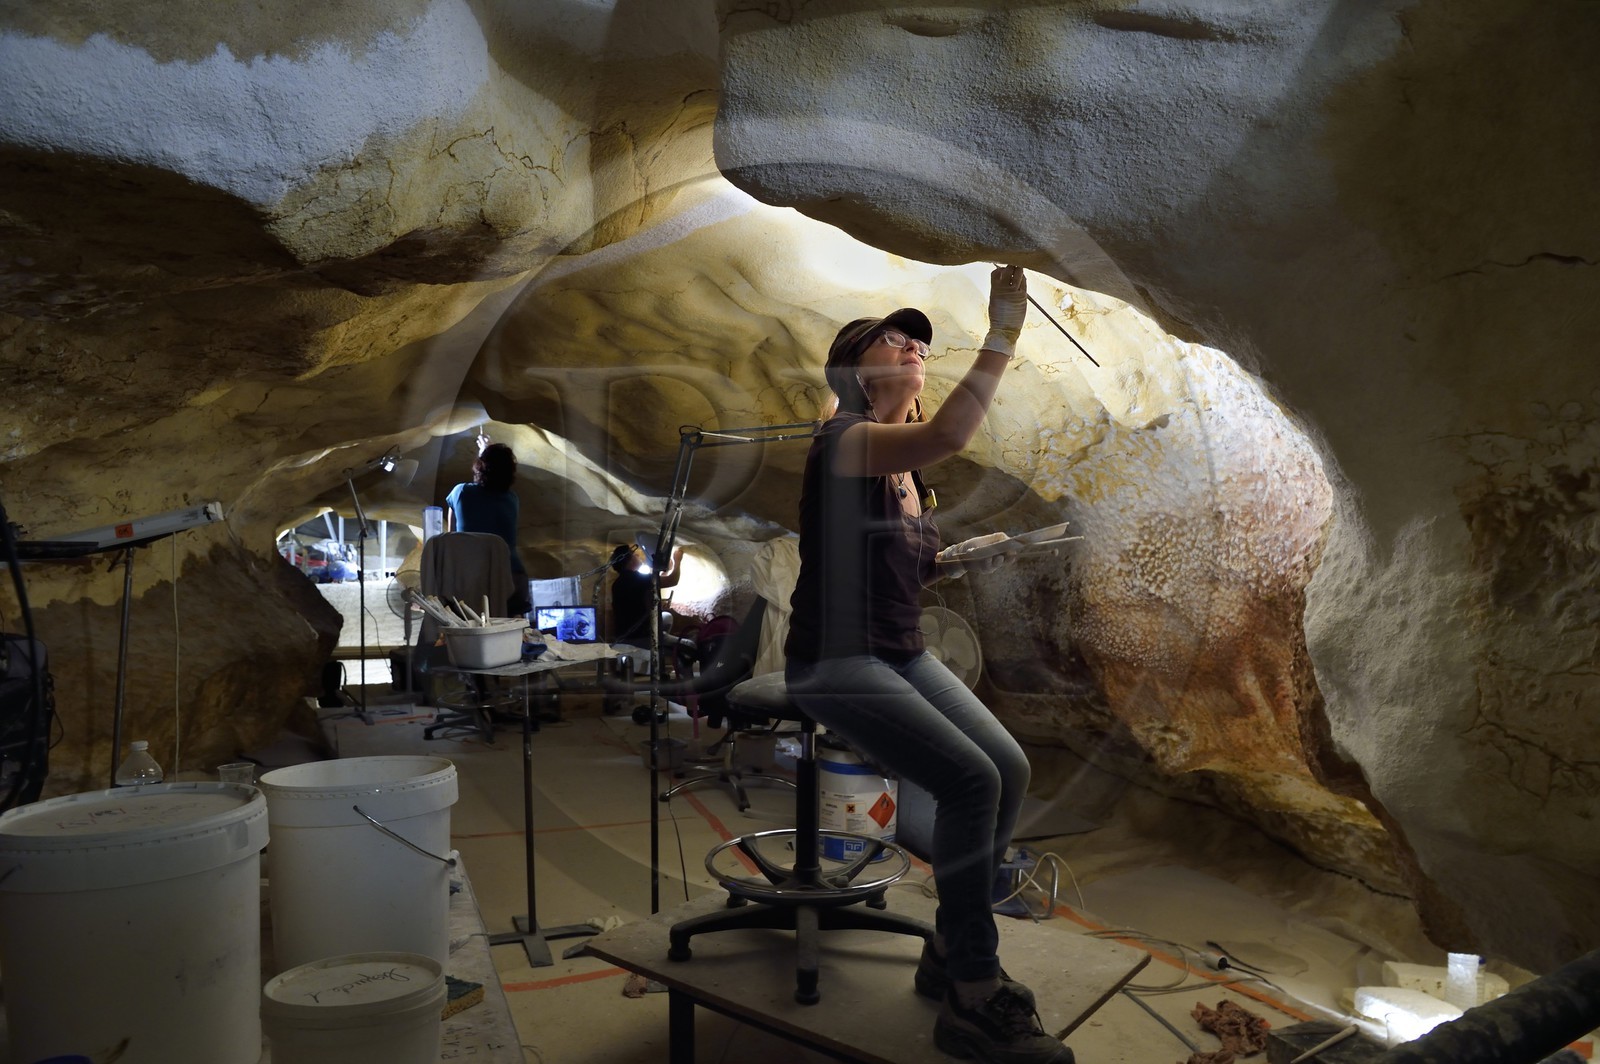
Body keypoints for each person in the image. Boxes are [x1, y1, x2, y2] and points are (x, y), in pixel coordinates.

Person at [784, 266, 1073, 1064]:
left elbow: (891, 566)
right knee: (970, 781)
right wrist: (1003, 335)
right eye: (892, 338)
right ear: (854, 370)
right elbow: (949, 432)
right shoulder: (843, 439)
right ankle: (972, 995)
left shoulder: (912, 478)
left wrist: (958, 557)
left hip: (899, 651)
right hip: (836, 661)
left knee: (1007, 768)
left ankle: (948, 950)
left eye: (919, 341)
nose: (913, 344)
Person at [445, 435, 530, 614]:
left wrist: (484, 455)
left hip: (473, 582)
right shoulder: (512, 499)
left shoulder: (460, 492)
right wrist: (488, 453)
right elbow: (489, 485)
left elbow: (451, 536)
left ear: (479, 466)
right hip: (512, 582)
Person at [609, 542, 681, 648]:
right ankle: (657, 646)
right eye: (634, 555)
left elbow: (643, 593)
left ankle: (660, 642)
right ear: (629, 561)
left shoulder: (617, 583)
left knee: (667, 617)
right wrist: (677, 560)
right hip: (641, 637)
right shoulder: (639, 579)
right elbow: (673, 580)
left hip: (623, 635)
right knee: (689, 645)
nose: (638, 556)